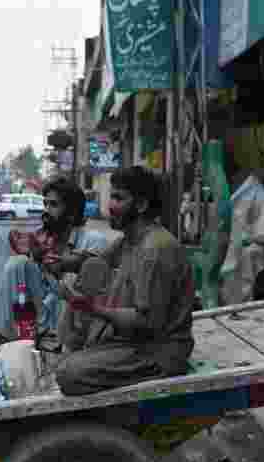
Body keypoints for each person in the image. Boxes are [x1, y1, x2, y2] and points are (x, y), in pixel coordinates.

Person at [53, 166, 196, 396]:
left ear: (140, 205)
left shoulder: (154, 249)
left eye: (118, 198)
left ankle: (76, 357)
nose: (110, 205)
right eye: (112, 196)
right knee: (88, 276)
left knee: (68, 374)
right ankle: (74, 350)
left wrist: (93, 308)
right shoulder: (129, 240)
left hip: (157, 351)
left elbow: (146, 322)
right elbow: (94, 262)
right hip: (132, 340)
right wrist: (60, 262)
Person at [0, 176, 108, 346]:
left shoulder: (93, 240)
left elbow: (90, 289)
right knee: (17, 263)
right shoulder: (45, 238)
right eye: (46, 204)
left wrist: (61, 265)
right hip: (45, 313)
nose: (46, 211)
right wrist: (35, 256)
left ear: (71, 214)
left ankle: (62, 343)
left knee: (71, 278)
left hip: (73, 320)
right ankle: (2, 338)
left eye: (54, 205)